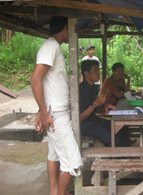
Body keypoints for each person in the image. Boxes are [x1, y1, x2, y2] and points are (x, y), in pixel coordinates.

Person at [31, 16, 82, 195]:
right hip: (56, 115)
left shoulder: (53, 46)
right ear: (64, 29)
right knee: (72, 161)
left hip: (55, 112)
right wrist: (44, 112)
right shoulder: (51, 46)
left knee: (54, 155)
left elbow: (46, 83)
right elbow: (35, 79)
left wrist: (42, 110)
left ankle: (54, 191)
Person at [79, 59, 132, 146]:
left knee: (122, 128)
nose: (98, 73)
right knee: (113, 138)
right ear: (86, 73)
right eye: (95, 71)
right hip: (84, 125)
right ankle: (119, 155)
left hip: (94, 120)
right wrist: (95, 104)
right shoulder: (80, 90)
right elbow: (79, 118)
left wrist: (104, 106)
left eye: (98, 70)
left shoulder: (93, 87)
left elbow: (95, 106)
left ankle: (120, 152)